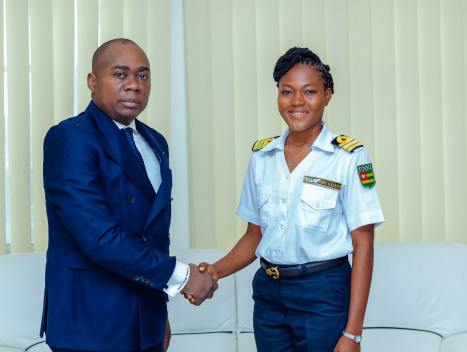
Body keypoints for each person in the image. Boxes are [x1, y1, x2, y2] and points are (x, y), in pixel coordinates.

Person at [187, 47, 384, 352]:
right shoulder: (262, 156)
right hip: (268, 292)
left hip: (323, 292)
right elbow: (255, 236)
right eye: (286, 91)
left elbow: (364, 245)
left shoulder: (349, 157)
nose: (296, 102)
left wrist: (353, 334)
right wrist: (214, 271)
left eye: (309, 92)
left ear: (327, 95)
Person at [40, 38, 217, 352]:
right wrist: (181, 277)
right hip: (90, 325)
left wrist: (157, 311)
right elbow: (99, 238)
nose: (134, 85)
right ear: (92, 82)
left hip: (145, 321)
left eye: (143, 76)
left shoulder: (155, 142)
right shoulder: (70, 138)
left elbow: (151, 236)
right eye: (120, 74)